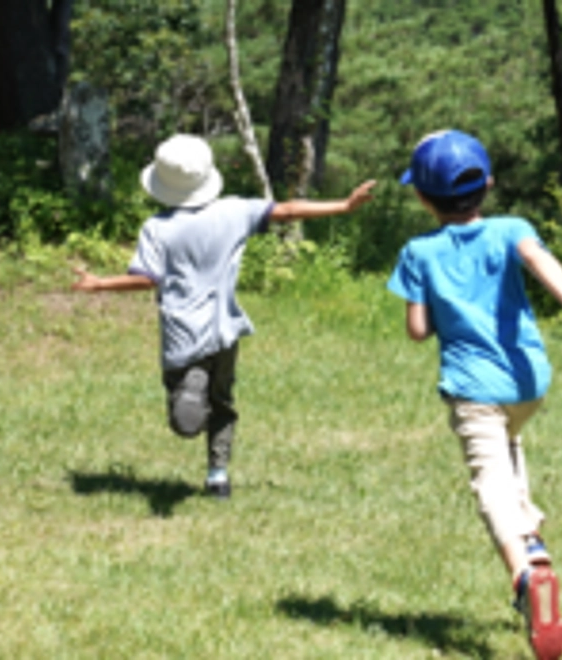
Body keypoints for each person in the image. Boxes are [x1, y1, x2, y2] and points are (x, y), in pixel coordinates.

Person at [387, 129, 562, 660]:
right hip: (527, 383)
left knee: (489, 484)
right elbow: (540, 261)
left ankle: (525, 577)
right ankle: (533, 539)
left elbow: (417, 330)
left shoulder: (418, 251)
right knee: (508, 447)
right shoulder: (513, 229)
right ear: (489, 184)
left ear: (421, 196)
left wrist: (436, 306)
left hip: (472, 387)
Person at [72, 133, 375, 499]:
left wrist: (100, 284)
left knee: (185, 408)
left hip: (182, 335)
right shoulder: (234, 211)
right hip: (224, 329)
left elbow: (145, 279)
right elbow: (288, 210)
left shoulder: (158, 229)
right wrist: (344, 205)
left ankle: (190, 390)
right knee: (223, 403)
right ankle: (218, 476)